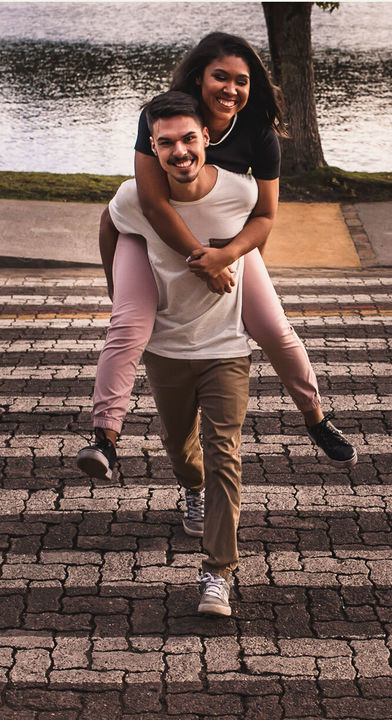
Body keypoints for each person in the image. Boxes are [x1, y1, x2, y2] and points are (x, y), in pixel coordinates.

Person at [76, 32, 356, 485]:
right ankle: (105, 438)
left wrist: (229, 258)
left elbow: (264, 215)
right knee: (128, 326)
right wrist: (195, 261)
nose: (230, 89)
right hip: (149, 229)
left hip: (222, 237)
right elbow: (150, 205)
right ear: (199, 77)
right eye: (219, 77)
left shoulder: (259, 134)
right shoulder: (165, 116)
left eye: (241, 81)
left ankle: (316, 418)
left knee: (274, 329)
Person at [99, 91, 257, 616]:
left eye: (189, 138)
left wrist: (241, 292)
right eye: (166, 143)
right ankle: (191, 488)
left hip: (226, 347)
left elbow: (260, 241)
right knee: (176, 442)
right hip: (167, 348)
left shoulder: (240, 190)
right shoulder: (133, 198)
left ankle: (218, 574)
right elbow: (110, 227)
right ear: (152, 146)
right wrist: (117, 291)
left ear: (206, 138)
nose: (180, 151)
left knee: (224, 454)